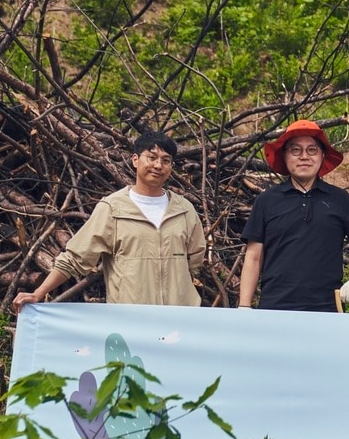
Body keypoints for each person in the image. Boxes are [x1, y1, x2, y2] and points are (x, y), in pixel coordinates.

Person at [12, 132, 206, 310]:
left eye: (166, 160)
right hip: (131, 320)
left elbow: (195, 260)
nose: (158, 165)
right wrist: (38, 293)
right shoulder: (113, 208)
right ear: (135, 160)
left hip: (181, 319)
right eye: (152, 157)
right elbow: (75, 259)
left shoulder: (184, 209)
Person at [238, 119, 349, 312]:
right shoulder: (267, 200)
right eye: (295, 150)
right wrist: (244, 305)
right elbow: (253, 257)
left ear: (322, 155)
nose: (304, 156)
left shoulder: (340, 199)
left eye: (312, 150)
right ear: (284, 155)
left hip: (327, 309)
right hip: (274, 308)